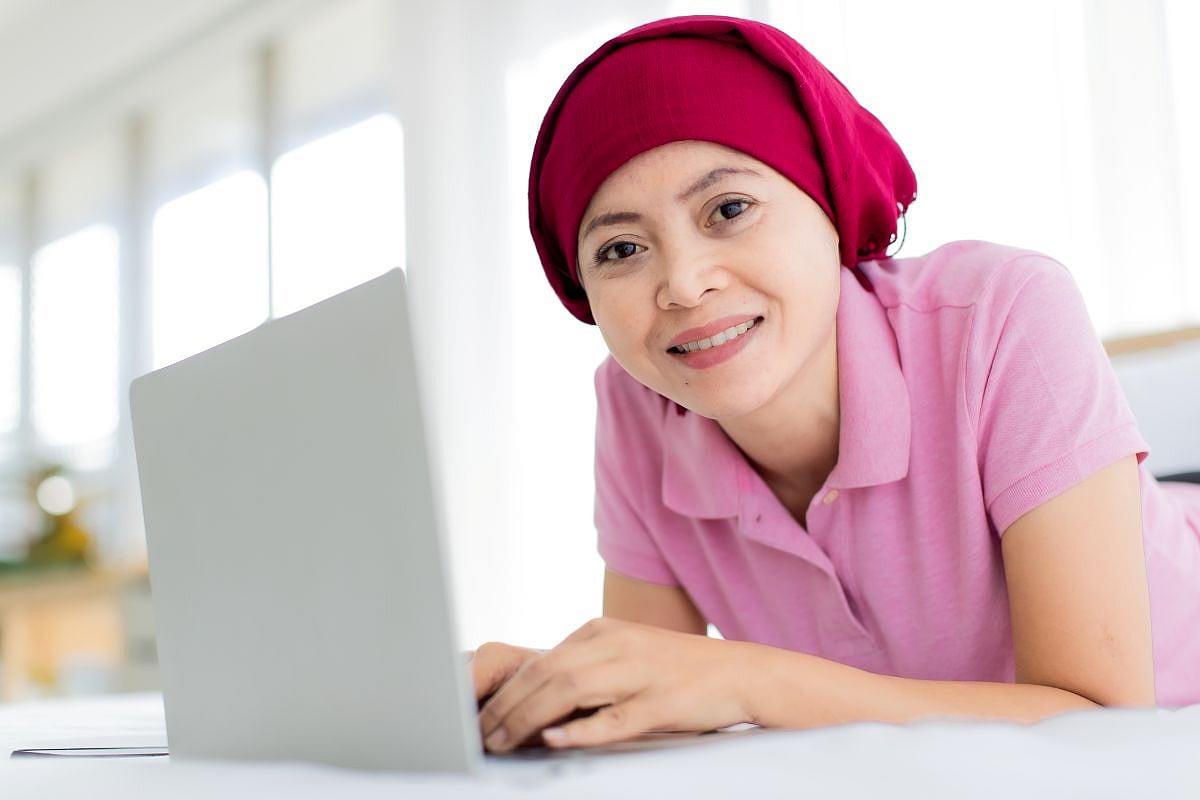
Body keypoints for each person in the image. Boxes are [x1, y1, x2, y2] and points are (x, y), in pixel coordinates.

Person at [471, 15, 1200, 752]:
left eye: (729, 210)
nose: (684, 284)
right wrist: (539, 696)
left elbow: (1101, 731)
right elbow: (648, 707)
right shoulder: (636, 407)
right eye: (621, 249)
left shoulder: (1003, 311)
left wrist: (748, 681)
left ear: (827, 201)